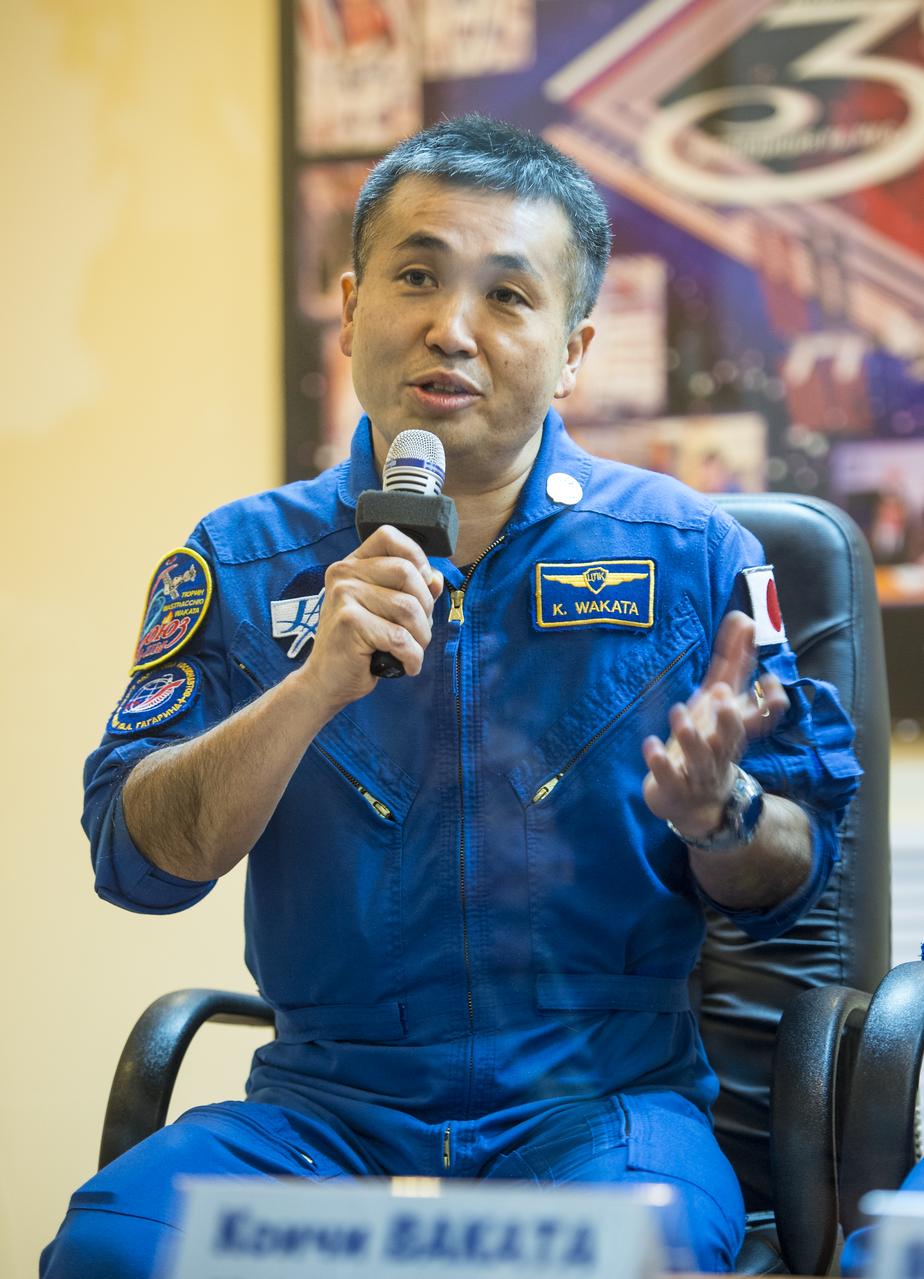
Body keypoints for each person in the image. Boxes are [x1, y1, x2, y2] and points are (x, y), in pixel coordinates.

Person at [42, 114, 860, 1277]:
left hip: (596, 1109)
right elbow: (138, 862)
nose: (452, 327)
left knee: (619, 1253)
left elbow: (798, 879)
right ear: (351, 307)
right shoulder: (238, 561)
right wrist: (311, 687)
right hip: (323, 1110)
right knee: (117, 1249)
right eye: (416, 276)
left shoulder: (691, 557)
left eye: (509, 297)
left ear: (574, 348)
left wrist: (719, 813)